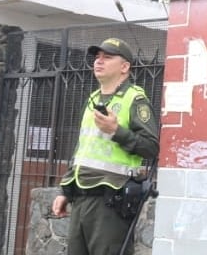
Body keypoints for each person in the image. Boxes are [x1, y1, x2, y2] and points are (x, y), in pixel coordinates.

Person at [52, 37, 160, 255]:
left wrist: (116, 131)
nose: (99, 62)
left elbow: (151, 147)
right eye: (97, 57)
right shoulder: (93, 99)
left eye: (107, 57)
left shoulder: (135, 99)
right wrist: (66, 191)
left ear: (124, 67)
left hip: (111, 202)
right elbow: (83, 150)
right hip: (81, 199)